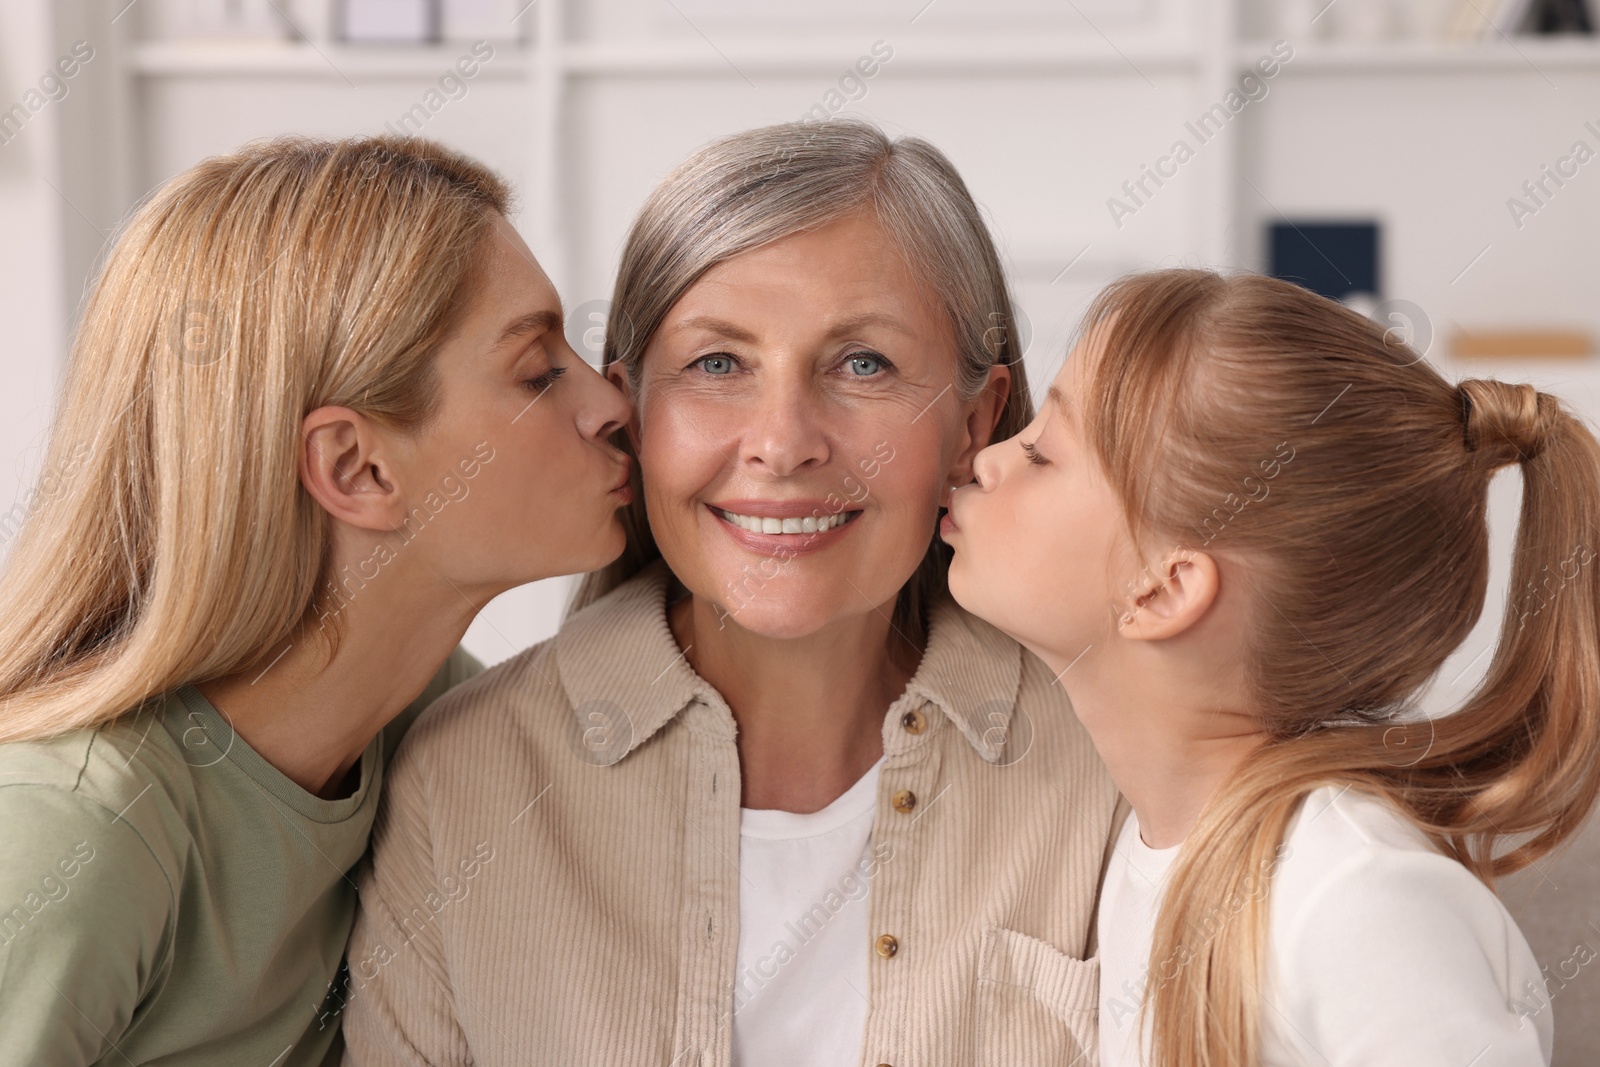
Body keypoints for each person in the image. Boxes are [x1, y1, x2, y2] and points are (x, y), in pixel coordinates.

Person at [342, 119, 1120, 1066]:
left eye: (862, 363)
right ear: (630, 413)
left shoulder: (1113, 763)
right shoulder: (461, 781)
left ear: (974, 424)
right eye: (718, 365)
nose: (782, 441)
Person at [0, 134, 633, 1066]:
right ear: (357, 466)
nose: (612, 403)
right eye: (539, 372)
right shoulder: (74, 831)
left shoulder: (429, 725)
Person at [941, 266, 1600, 1066]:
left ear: (1164, 588)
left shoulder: (1355, 895)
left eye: (1044, 450)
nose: (985, 460)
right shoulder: (1158, 851)